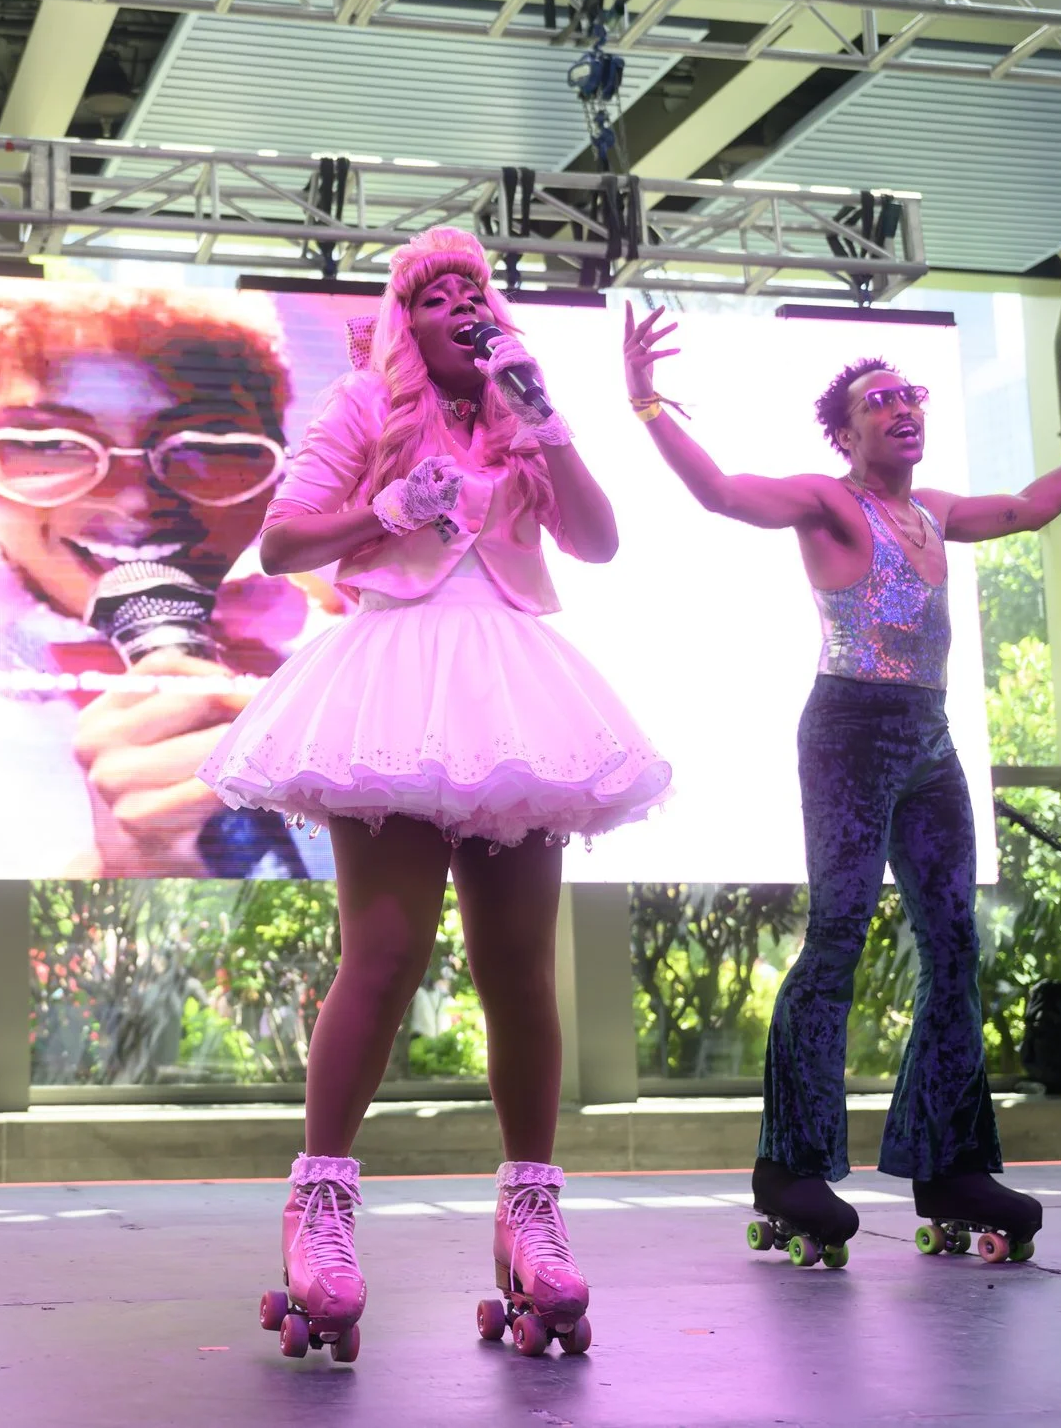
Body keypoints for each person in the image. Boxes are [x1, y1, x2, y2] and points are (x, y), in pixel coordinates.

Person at [619, 306, 1061, 1264]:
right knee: (838, 932)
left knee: (954, 943)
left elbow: (1031, 506)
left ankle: (951, 1156)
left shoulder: (937, 515)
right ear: (846, 435)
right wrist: (645, 402)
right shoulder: (832, 503)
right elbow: (720, 492)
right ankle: (791, 1164)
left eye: (910, 395)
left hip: (928, 736)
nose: (903, 408)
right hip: (849, 728)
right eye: (878, 402)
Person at [199, 228, 671, 1362]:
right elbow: (279, 539)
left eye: (474, 289)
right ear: (401, 321)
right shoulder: (365, 402)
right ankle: (317, 1204)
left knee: (518, 962)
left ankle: (530, 1208)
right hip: (396, 677)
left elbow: (598, 542)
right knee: (386, 947)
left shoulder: (521, 406)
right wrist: (388, 509)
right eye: (433, 293)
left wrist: (543, 420)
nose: (460, 303)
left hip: (509, 687)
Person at [0, 280, 332, 879]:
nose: (133, 500)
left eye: (206, 444)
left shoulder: (350, 661)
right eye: (48, 445)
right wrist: (120, 870)